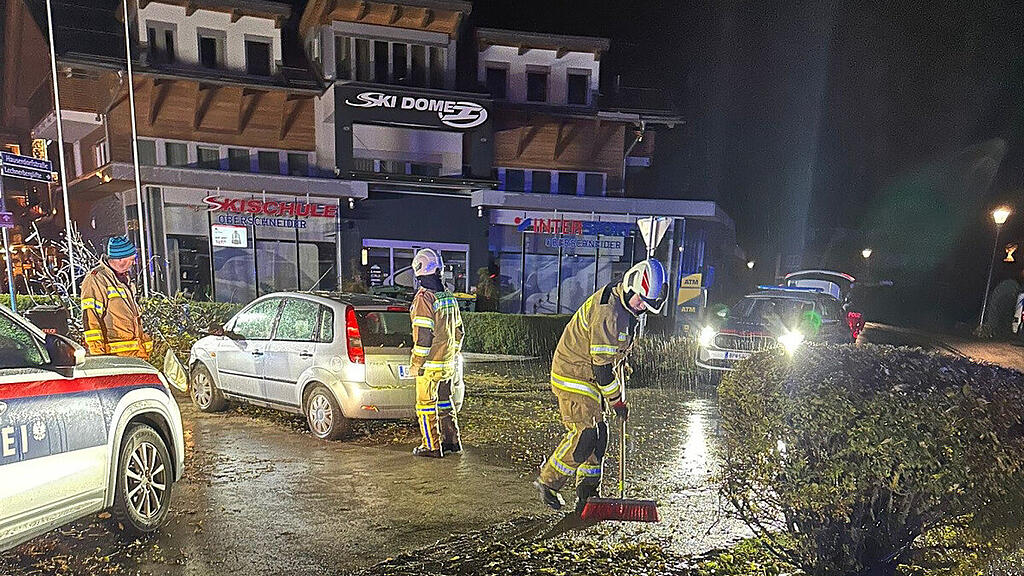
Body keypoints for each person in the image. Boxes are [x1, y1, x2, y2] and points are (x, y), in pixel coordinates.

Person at [534, 258, 668, 512]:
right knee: (585, 435)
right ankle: (548, 482)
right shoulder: (609, 310)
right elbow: (602, 370)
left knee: (599, 436)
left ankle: (587, 495)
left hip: (590, 377)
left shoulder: (627, 309)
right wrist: (617, 401)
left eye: (646, 305)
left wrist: (623, 365)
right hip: (573, 374)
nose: (641, 307)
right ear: (630, 285)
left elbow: (612, 354)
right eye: (640, 300)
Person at [409, 248, 465, 458]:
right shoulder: (448, 296)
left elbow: (423, 337)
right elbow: (460, 332)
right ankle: (452, 441)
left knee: (425, 405)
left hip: (430, 365)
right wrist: (451, 354)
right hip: (447, 364)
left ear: (419, 269)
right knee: (444, 401)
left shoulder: (424, 298)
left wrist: (416, 363)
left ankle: (431, 445)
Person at [81, 236, 153, 359]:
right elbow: (91, 318)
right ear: (120, 259)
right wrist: (98, 354)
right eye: (132, 259)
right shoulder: (96, 279)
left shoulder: (124, 279)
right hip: (115, 357)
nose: (134, 263)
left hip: (134, 355)